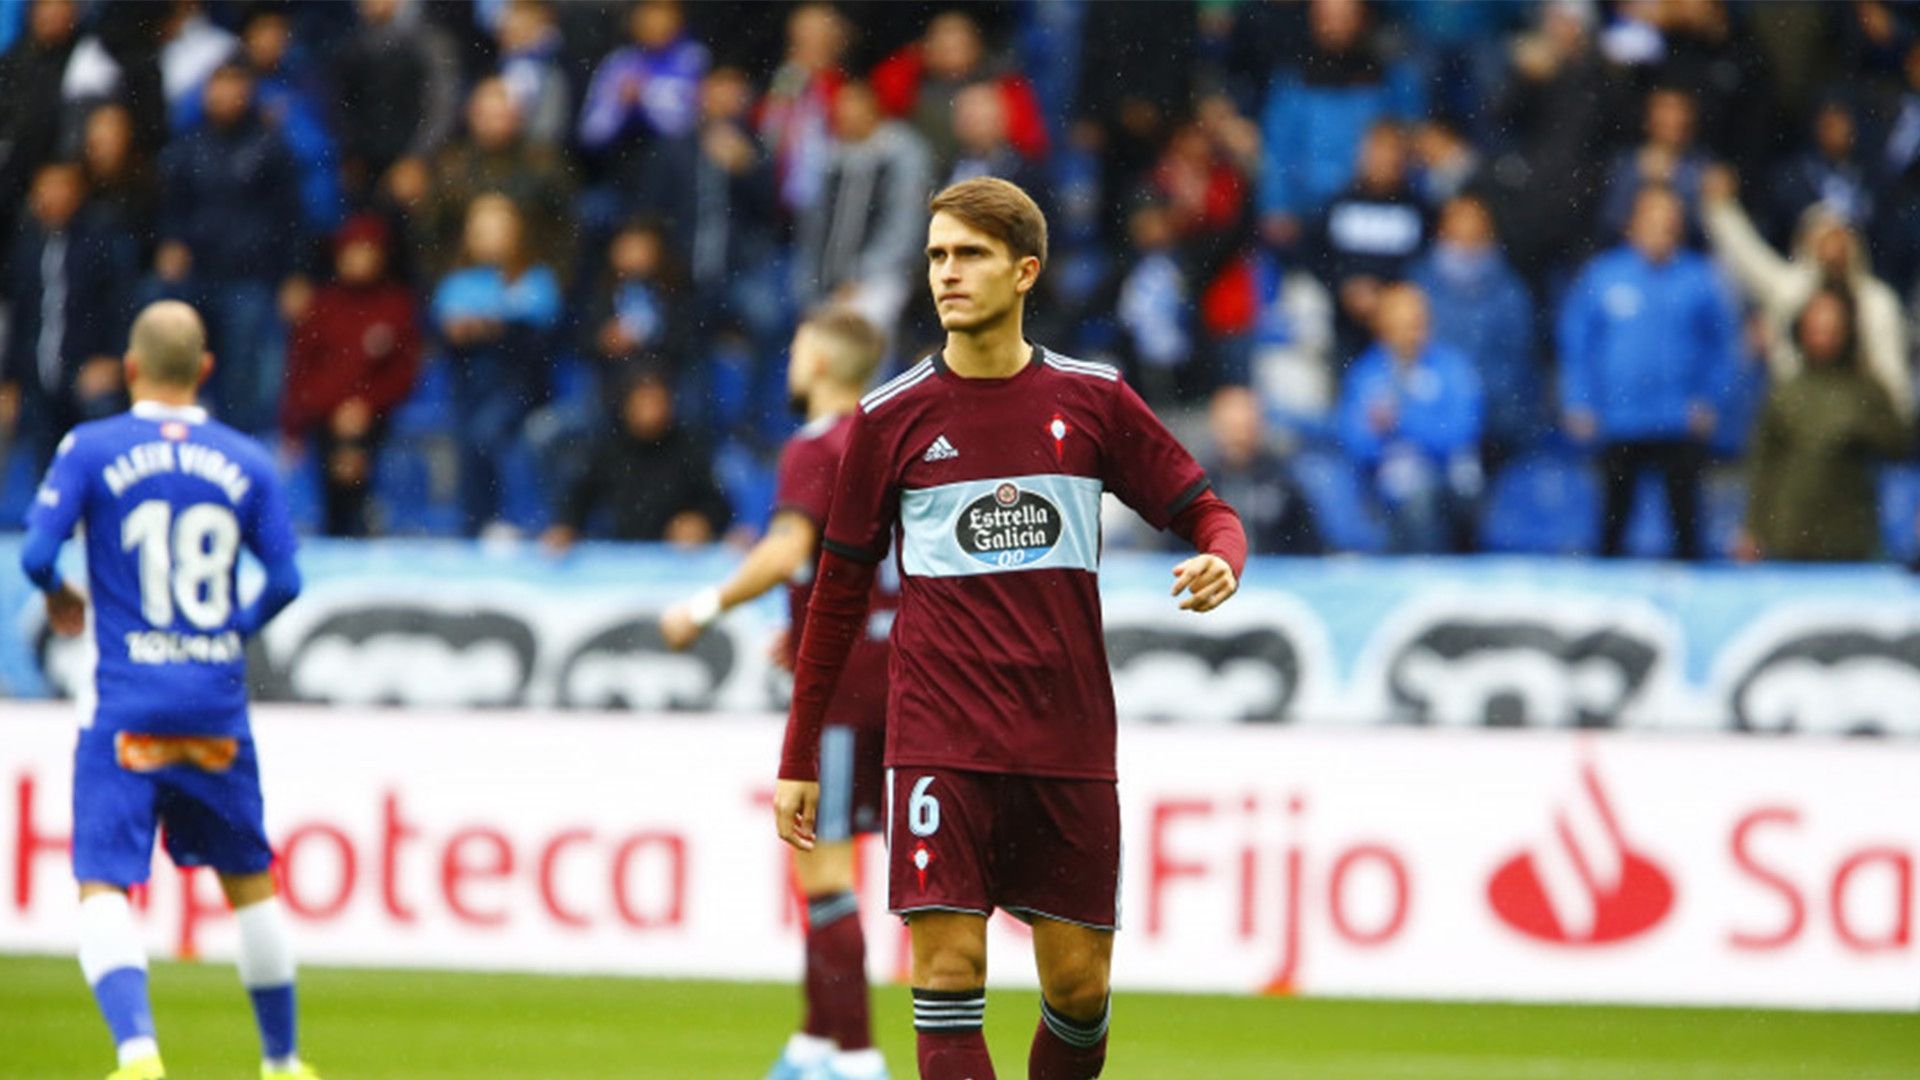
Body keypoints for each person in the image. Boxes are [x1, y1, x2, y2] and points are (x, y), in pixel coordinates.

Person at [773, 177, 1247, 1080]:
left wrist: (1226, 555)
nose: (948, 274)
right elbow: (833, 598)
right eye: (937, 256)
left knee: (1078, 991)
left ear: (1025, 270)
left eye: (971, 255)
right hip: (939, 739)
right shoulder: (889, 420)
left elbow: (1207, 511)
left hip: (1065, 740)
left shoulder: (1095, 402)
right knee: (948, 974)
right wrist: (799, 754)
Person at [18, 301, 312, 1080]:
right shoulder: (247, 461)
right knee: (250, 882)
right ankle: (282, 1063)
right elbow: (286, 578)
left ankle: (139, 1053)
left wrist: (59, 594)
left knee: (105, 879)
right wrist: (227, 632)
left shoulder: (91, 446)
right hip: (214, 701)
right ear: (207, 369)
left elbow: (37, 552)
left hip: (125, 701)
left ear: (130, 367)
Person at [660, 308, 894, 1080]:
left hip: (844, 692)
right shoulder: (894, 439)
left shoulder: (817, 443)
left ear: (824, 363)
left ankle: (855, 1059)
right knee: (907, 879)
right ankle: (816, 1043)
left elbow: (791, 545)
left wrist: (704, 607)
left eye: (799, 350)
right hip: (906, 679)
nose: (791, 361)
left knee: (823, 873)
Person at [1559, 184, 1740, 560]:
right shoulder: (1604, 276)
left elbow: (1722, 348)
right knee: (1612, 524)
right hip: (1618, 419)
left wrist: (1709, 400)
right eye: (1651, 219)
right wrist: (1579, 400)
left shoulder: (1699, 278)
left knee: (1687, 525)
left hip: (1679, 419)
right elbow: (1577, 344)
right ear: (1632, 225)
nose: (1661, 228)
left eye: (1669, 221)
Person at [1700, 165, 1911, 422]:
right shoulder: (1789, 290)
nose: (1833, 250)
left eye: (1840, 239)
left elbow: (1890, 368)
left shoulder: (1876, 301)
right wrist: (1721, 210)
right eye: (1824, 240)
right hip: (1799, 414)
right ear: (1809, 244)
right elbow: (1747, 257)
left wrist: (1897, 416)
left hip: (1857, 418)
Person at [1740, 286, 1910, 563]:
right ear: (1801, 330)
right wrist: (1752, 529)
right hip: (1789, 536)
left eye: (1832, 324)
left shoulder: (1867, 390)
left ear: (1848, 331)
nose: (1823, 332)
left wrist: (1863, 424)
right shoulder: (1785, 393)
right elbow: (1763, 465)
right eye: (1816, 324)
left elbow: (1899, 445)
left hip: (1850, 538)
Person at [280, 214, 423, 537]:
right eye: (352, 250)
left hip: (378, 417)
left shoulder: (396, 306)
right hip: (324, 418)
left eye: (367, 250)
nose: (359, 259)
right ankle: (337, 527)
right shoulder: (321, 306)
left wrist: (366, 404)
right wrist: (329, 409)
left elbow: (404, 374)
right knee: (333, 450)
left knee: (357, 449)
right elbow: (301, 372)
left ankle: (365, 521)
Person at [1337, 283, 1483, 554]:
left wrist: (1402, 423)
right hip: (1383, 483)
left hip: (1446, 479)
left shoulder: (1451, 367)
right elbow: (1354, 442)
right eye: (1403, 323)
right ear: (1382, 327)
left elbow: (1461, 433)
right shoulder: (1365, 374)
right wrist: (1378, 438)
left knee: (1422, 495)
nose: (1414, 331)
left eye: (1419, 322)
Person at [540, 362, 731, 550]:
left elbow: (716, 503)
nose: (652, 411)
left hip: (676, 559)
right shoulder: (608, 448)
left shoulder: (688, 448)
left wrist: (701, 521)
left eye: (658, 401)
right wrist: (566, 526)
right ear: (627, 404)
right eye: (644, 402)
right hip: (626, 558)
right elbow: (579, 497)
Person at [1202, 385, 1323, 555]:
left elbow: (1308, 547)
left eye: (1244, 428)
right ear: (1216, 427)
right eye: (1231, 429)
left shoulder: (1283, 480)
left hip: (1275, 577)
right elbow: (1172, 555)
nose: (1238, 439)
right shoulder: (1197, 485)